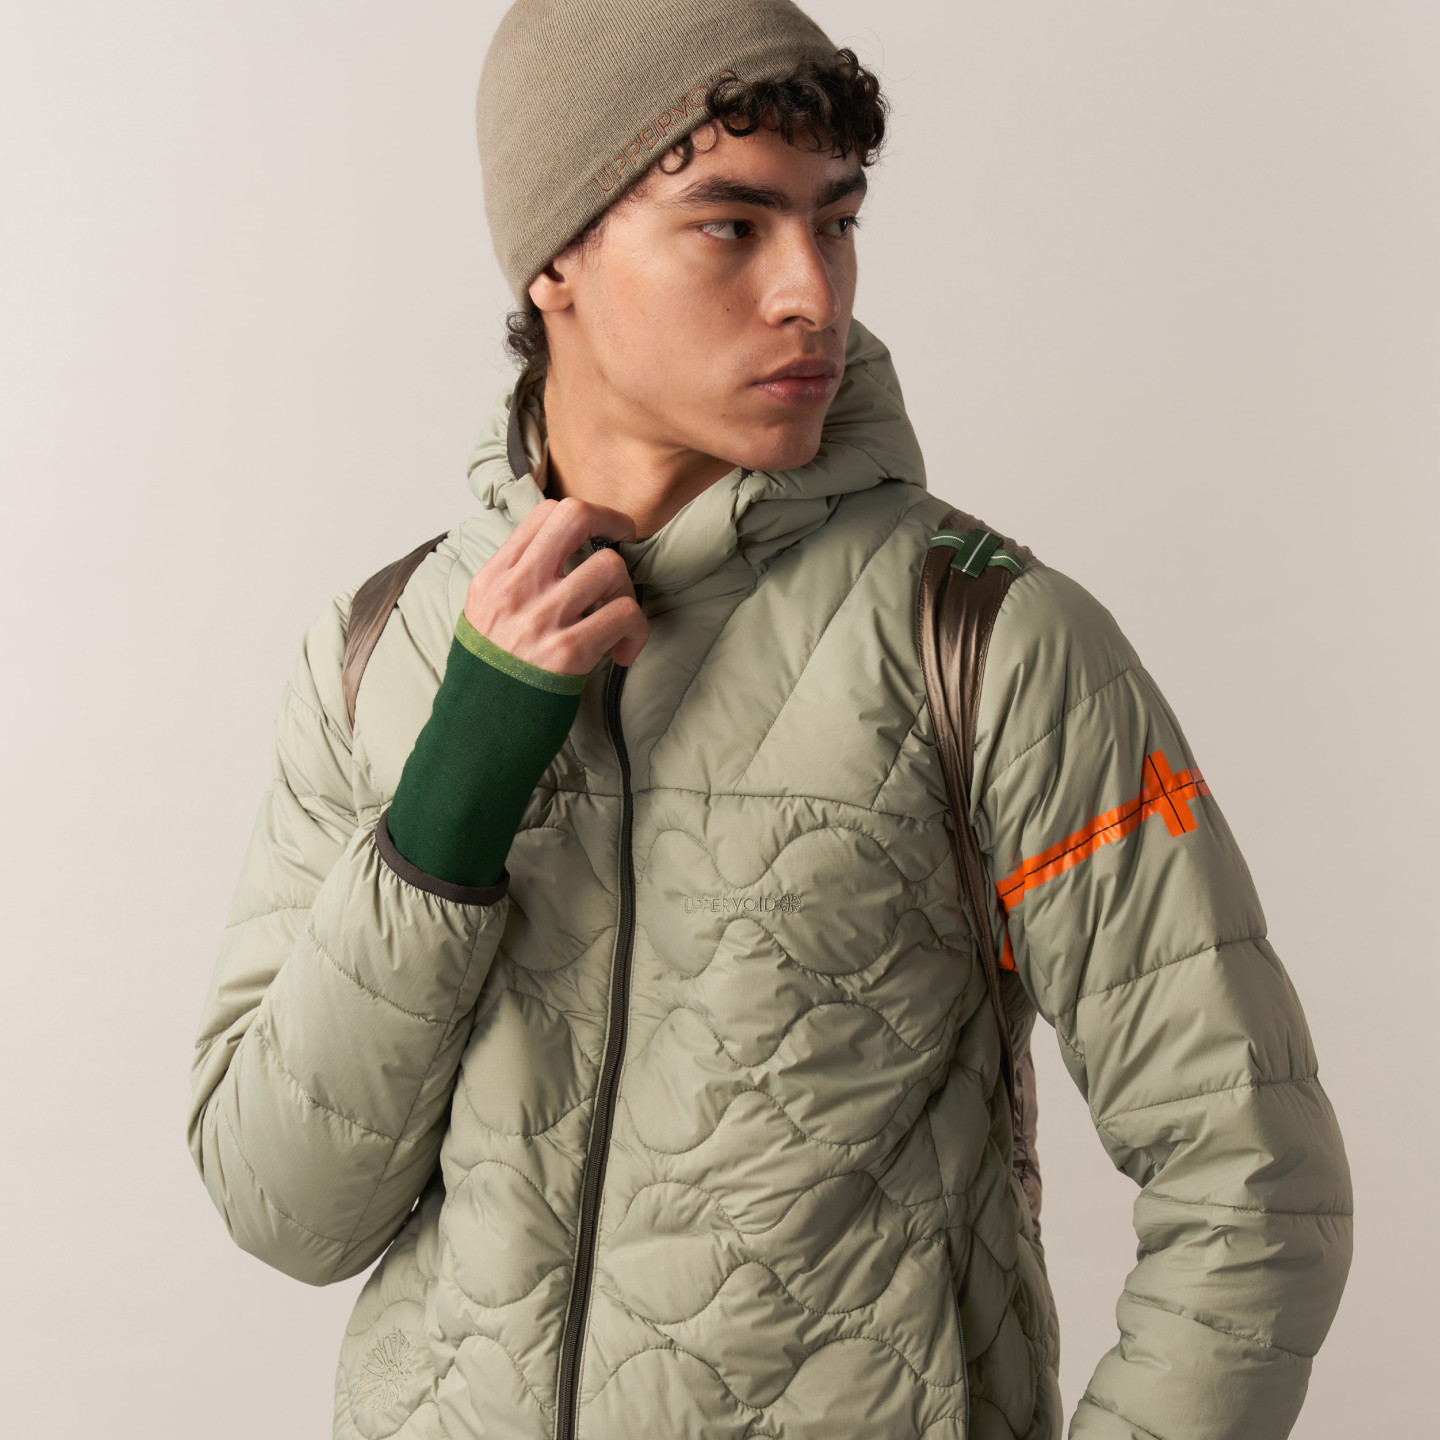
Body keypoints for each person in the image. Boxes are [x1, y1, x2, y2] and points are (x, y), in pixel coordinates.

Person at [185, 2, 1353, 1436]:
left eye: (836, 222)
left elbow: (1252, 1188)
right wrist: (456, 787)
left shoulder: (989, 640)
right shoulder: (379, 650)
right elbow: (287, 1209)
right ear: (554, 258)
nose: (814, 292)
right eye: (733, 226)